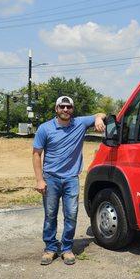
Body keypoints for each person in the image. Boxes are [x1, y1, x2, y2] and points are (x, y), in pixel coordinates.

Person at [32, 96, 106, 265]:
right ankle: (50, 248)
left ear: (72, 109)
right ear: (56, 109)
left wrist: (98, 118)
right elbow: (36, 154)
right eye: (62, 107)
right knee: (50, 215)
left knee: (71, 215)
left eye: (69, 107)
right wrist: (39, 180)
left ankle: (66, 248)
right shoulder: (45, 128)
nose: (65, 110)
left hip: (71, 179)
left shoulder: (79, 123)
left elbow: (102, 113)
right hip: (50, 179)